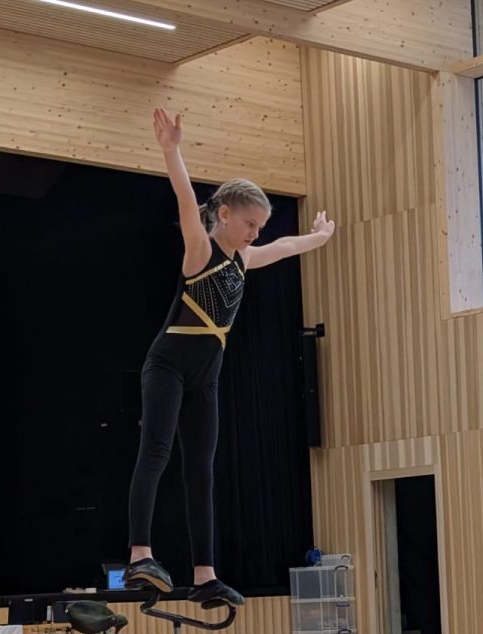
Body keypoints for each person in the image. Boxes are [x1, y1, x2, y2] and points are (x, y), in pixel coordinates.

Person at [126, 108, 336, 606]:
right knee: (156, 452)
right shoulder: (200, 250)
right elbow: (184, 197)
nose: (255, 233)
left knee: (202, 470)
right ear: (224, 215)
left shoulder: (245, 258)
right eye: (250, 223)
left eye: (260, 226)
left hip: (206, 375)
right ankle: (139, 555)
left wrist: (320, 238)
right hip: (168, 363)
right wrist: (172, 150)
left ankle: (205, 574)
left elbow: (285, 246)